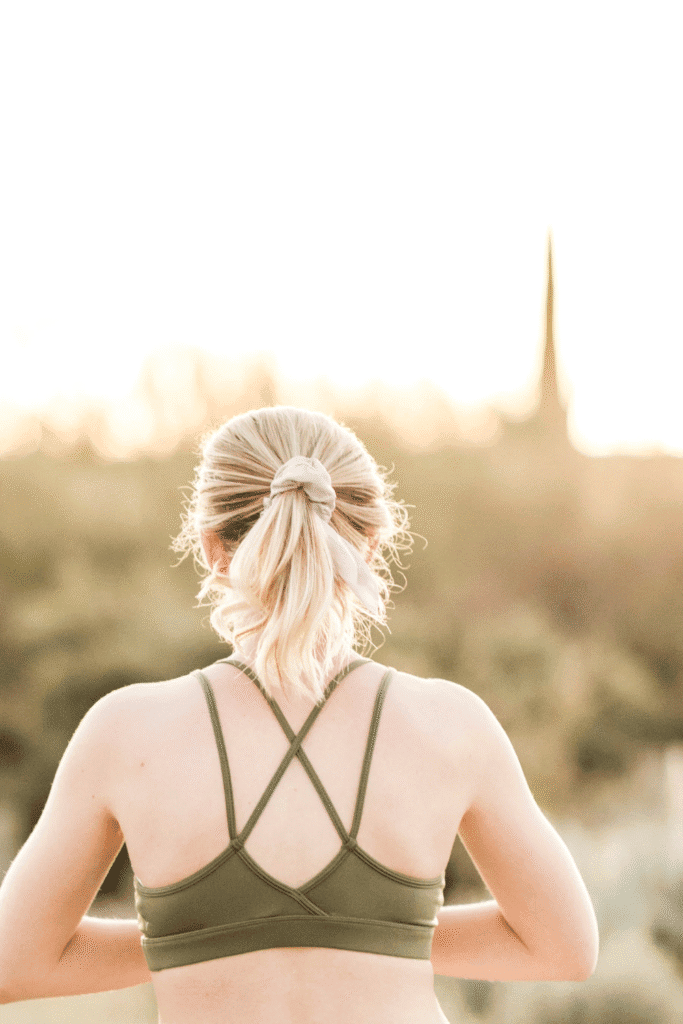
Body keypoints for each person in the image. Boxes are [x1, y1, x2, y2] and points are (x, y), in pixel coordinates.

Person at [0, 405, 598, 1024]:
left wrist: (196, 937)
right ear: (367, 545)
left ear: (211, 548)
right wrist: (386, 932)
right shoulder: (450, 725)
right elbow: (565, 946)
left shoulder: (124, 734)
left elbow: (13, 964)